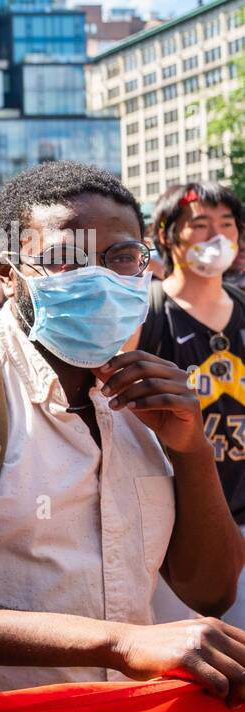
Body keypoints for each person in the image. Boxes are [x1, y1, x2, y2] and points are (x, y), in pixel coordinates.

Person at [0, 161, 245, 707]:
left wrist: (193, 450)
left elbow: (212, 592)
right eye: (65, 260)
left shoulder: (150, 400)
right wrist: (120, 643)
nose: (100, 278)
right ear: (8, 273)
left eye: (122, 257)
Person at [140, 181, 245, 629]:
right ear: (166, 235)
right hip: (174, 531)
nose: (215, 237)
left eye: (227, 224)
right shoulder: (148, 313)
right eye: (199, 225)